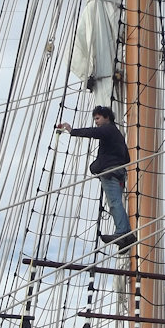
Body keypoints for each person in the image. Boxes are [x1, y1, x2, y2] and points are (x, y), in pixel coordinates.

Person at [56, 106, 135, 250]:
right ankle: (125, 238)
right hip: (118, 173)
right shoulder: (117, 134)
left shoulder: (108, 129)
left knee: (114, 203)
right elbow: (127, 158)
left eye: (98, 118)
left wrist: (72, 131)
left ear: (107, 117)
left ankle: (123, 233)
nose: (96, 122)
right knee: (115, 202)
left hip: (110, 173)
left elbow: (93, 132)